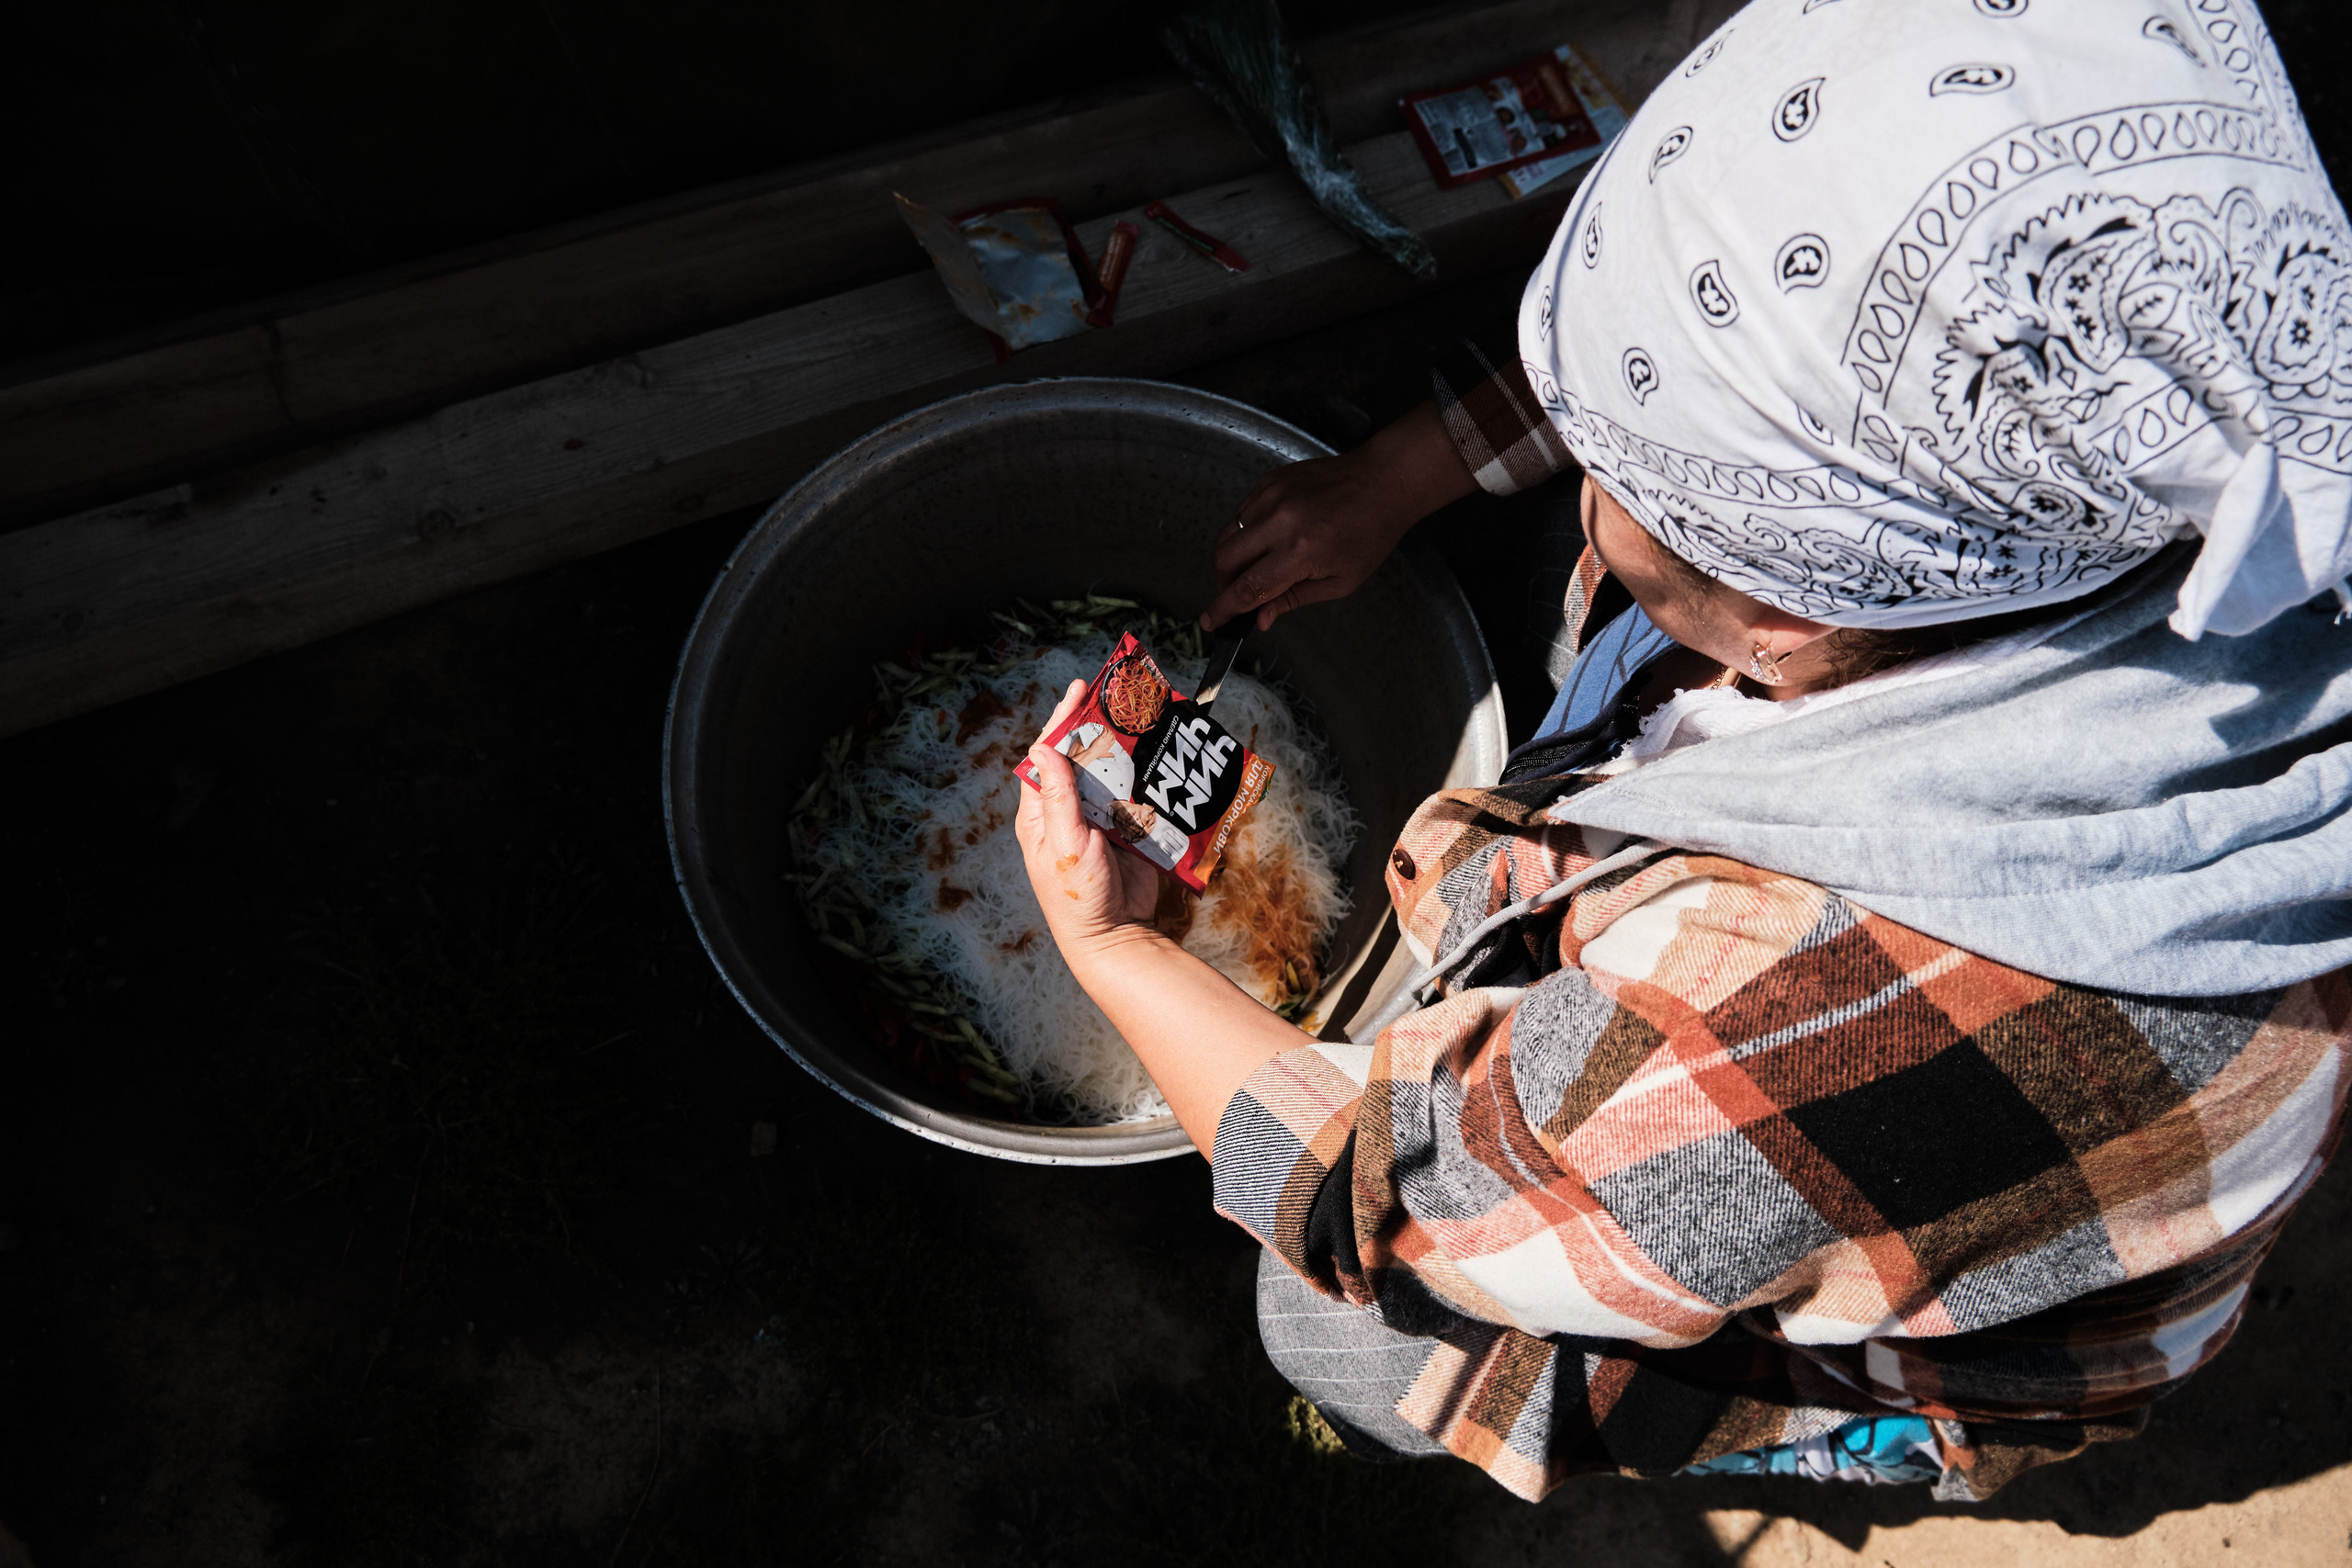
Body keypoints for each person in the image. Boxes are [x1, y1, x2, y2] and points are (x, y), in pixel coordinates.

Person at [1017, 0, 2352, 1501]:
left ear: (1781, 607)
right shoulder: (2125, 471)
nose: (1588, 485)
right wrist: (1400, 477)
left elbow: (1398, 1207)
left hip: (1964, 1292)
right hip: (1826, 1091)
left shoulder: (1820, 992)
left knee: (1344, 1329)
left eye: (1626, 479)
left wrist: (1112, 952)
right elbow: (1693, 338)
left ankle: (1862, 1445)